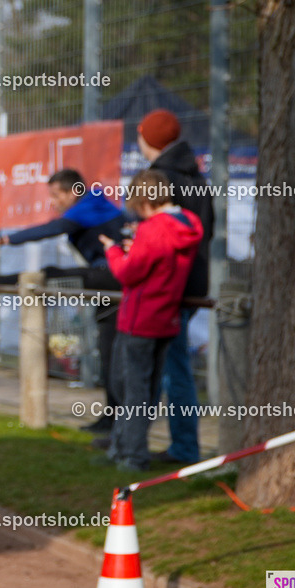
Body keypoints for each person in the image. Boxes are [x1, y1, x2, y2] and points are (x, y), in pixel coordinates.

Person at [0, 169, 125, 431]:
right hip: (110, 281)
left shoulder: (91, 204)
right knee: (108, 351)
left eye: (56, 195)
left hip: (114, 279)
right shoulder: (92, 204)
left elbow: (52, 229)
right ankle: (112, 418)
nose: (54, 202)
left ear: (73, 191)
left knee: (50, 275)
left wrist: (1, 240)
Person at [97, 168, 202, 471]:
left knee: (130, 390)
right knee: (146, 389)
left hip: (139, 322)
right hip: (166, 319)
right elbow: (157, 261)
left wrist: (114, 251)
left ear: (143, 201)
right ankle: (123, 448)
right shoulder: (186, 225)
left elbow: (128, 273)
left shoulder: (152, 229)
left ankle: (131, 455)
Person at [138, 109, 215, 464]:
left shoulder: (161, 180)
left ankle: (180, 448)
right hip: (191, 285)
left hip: (164, 290)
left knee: (170, 370)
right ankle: (162, 443)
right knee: (171, 369)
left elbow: (159, 241)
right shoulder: (198, 180)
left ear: (148, 139)